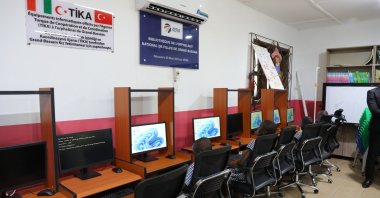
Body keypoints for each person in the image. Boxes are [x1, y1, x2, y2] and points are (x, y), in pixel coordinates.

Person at [362, 87, 380, 188]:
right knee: (372, 155)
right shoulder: (372, 92)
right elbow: (375, 110)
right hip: (377, 129)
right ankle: (369, 178)